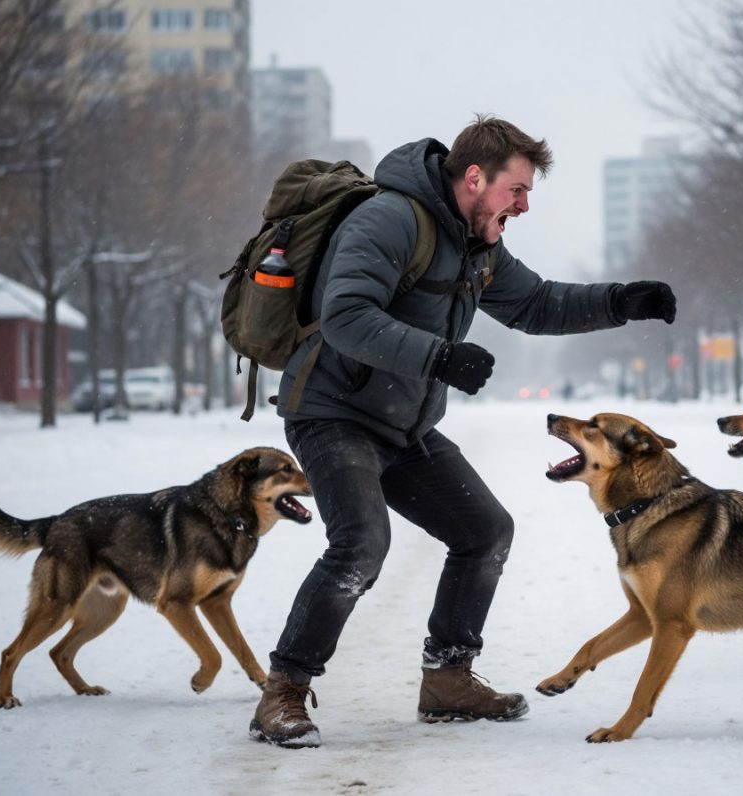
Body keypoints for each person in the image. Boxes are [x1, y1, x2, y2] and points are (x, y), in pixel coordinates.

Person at [249, 115, 676, 748]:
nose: (524, 205)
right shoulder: (389, 220)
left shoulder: (477, 242)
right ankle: (281, 692)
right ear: (474, 177)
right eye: (517, 190)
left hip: (405, 423)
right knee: (361, 545)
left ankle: (448, 679)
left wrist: (620, 301)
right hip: (333, 413)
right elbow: (345, 317)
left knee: (484, 532)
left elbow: (536, 304)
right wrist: (439, 356)